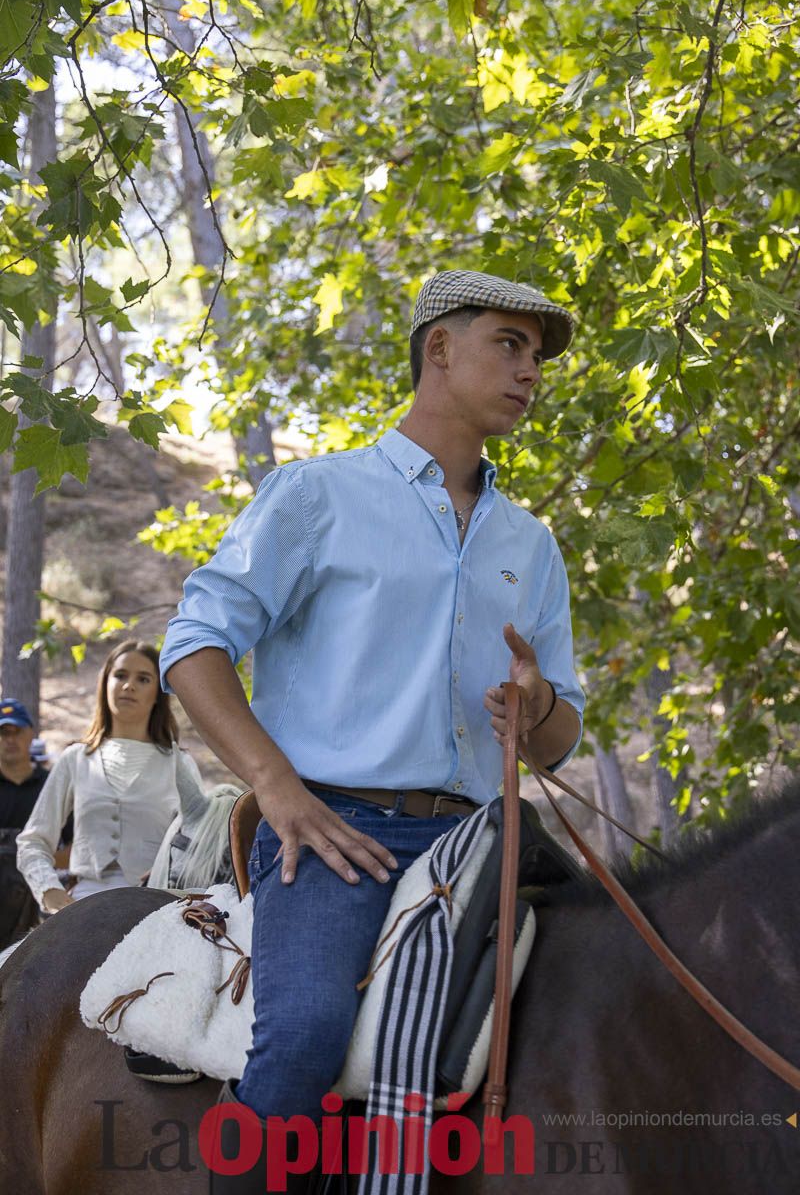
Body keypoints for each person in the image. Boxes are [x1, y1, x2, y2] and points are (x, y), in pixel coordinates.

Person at [160, 270, 585, 1193]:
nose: (531, 373)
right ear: (439, 347)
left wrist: (535, 708)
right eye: (509, 345)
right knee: (308, 1033)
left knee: (603, 997)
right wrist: (276, 788)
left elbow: (559, 741)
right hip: (336, 831)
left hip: (484, 838)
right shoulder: (319, 495)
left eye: (537, 357)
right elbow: (194, 644)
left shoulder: (532, 544)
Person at [17, 640, 208, 914]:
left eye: (143, 679)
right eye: (120, 675)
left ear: (158, 694)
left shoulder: (179, 763)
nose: (128, 685)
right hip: (81, 907)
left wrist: (171, 871)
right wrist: (49, 890)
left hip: (158, 908)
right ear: (105, 683)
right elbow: (32, 841)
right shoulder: (75, 759)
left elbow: (201, 846)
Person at [0, 699, 52, 949]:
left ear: (31, 734)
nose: (10, 739)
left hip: (36, 901)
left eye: (17, 731)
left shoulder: (50, 785)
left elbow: (73, 848)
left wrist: (34, 857)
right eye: (3, 732)